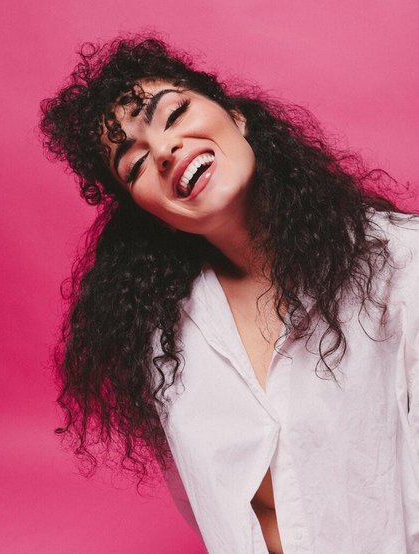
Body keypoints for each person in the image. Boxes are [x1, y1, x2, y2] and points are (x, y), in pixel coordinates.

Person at [39, 36, 419, 553]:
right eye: (136, 164)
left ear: (236, 116)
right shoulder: (162, 341)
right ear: (147, 211)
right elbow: (222, 514)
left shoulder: (401, 267)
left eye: (173, 114)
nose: (164, 151)